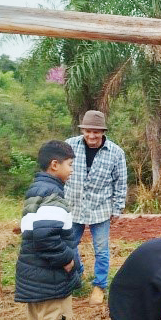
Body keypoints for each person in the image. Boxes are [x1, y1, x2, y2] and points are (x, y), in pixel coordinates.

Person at [15, 140, 81, 320]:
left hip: (34, 276)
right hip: (50, 279)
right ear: (55, 165)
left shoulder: (37, 189)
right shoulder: (53, 194)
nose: (72, 170)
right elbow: (45, 236)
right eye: (70, 164)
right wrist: (68, 260)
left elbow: (34, 232)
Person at [65, 110, 127, 305]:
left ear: (103, 132)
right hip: (72, 206)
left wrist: (117, 208)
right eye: (88, 131)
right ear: (83, 130)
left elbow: (121, 182)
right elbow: (57, 173)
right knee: (68, 245)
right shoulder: (69, 146)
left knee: (101, 250)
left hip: (100, 208)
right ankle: (78, 274)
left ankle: (99, 286)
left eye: (96, 132)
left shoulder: (115, 152)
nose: (92, 136)